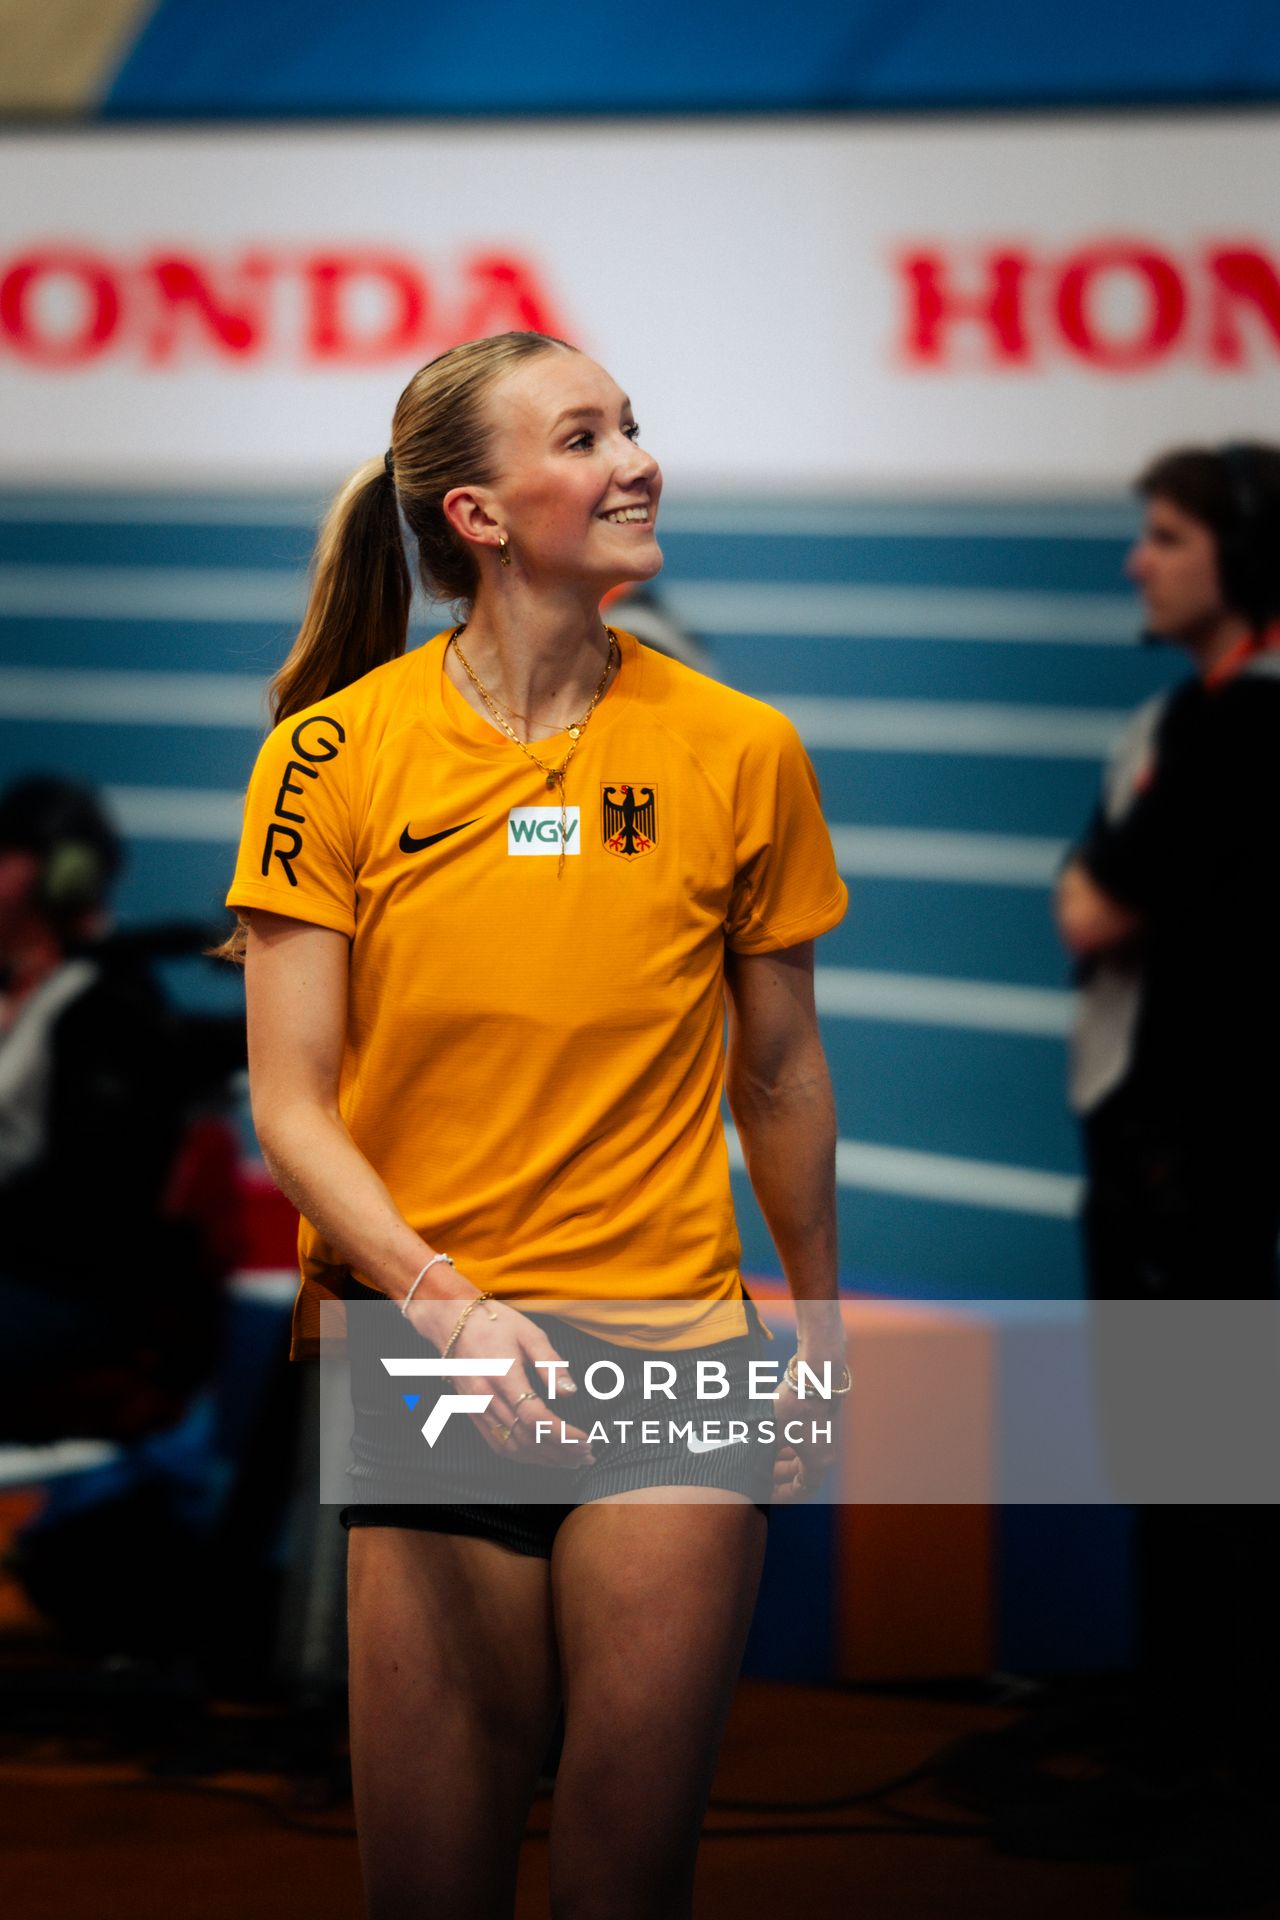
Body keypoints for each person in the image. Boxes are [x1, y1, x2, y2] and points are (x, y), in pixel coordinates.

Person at [222, 331, 849, 1919]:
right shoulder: (328, 756)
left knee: (624, 1888)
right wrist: (445, 1303)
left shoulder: (742, 749)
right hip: (433, 1357)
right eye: (583, 438)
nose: (637, 462)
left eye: (631, 426)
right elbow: (291, 1105)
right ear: (479, 514)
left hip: (672, 1349)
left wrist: (822, 1333)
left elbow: (780, 1075)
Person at [1053, 445, 1280, 1912]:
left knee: (1203, 1476)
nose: (1139, 561)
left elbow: (1091, 907)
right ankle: (1189, 1752)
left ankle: (1207, 1776)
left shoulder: (1239, 724)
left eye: (1170, 537)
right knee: (1198, 1469)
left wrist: (1100, 885)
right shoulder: (1200, 716)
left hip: (1189, 1147)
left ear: (1241, 559)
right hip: (1186, 1143)